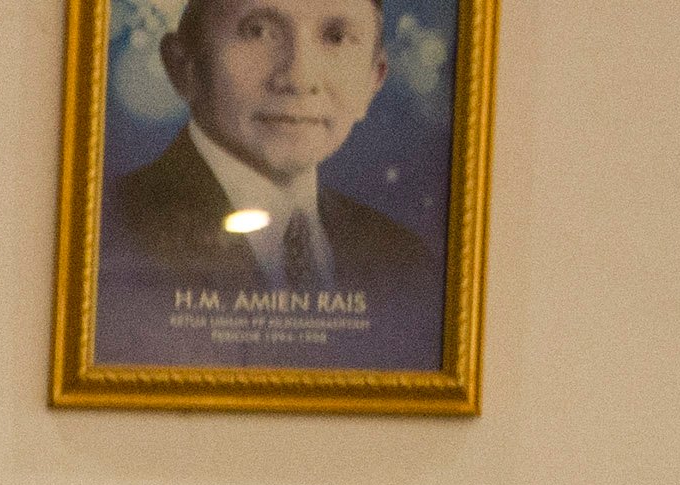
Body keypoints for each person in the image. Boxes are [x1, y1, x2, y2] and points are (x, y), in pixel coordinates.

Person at [102, 0, 436, 370]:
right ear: (184, 67)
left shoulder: (406, 261)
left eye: (336, 37)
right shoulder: (112, 237)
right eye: (257, 31)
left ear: (374, 79)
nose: (298, 79)